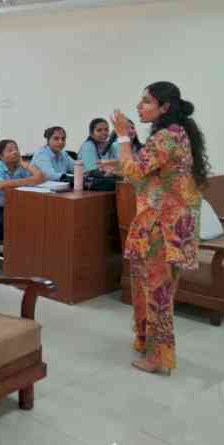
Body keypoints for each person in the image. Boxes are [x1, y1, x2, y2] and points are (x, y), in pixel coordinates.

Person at [99, 81, 209, 375]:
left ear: (165, 107)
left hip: (163, 227)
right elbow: (149, 175)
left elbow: (136, 171)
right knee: (144, 285)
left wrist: (122, 137)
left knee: (158, 291)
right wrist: (118, 165)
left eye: (147, 101)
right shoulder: (172, 134)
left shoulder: (165, 138)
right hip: (159, 222)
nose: (139, 106)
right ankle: (145, 340)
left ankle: (159, 357)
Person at [0, 140, 46, 236]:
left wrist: (26, 165)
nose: (15, 152)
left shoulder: (19, 167)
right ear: (1, 156)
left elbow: (41, 178)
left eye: (16, 149)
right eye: (10, 150)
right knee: (14, 223)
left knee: (34, 217)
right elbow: (0, 185)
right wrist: (28, 181)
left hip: (10, 204)